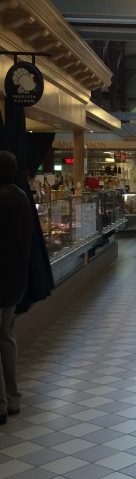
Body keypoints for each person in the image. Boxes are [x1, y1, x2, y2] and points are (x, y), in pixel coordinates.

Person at [0, 150, 33, 426]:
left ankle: (0, 404)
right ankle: (13, 398)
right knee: (6, 336)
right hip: (14, 281)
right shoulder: (22, 197)